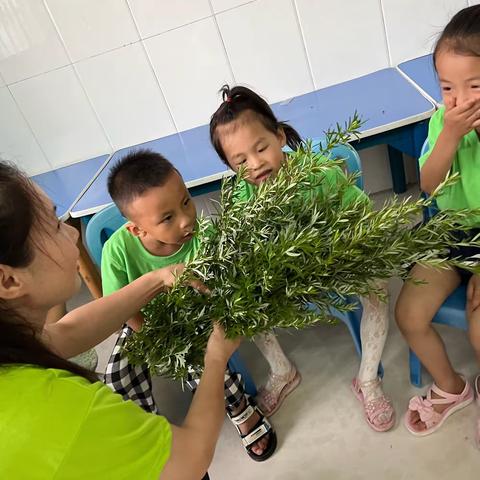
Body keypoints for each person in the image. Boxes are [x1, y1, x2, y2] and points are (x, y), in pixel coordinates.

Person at [0, 161, 242, 479]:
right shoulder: (58, 410)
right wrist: (216, 357)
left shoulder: (13, 350)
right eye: (55, 225)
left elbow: (64, 333)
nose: (73, 233)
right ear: (8, 281)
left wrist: (157, 278)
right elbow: (191, 460)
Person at [209, 84, 395, 432]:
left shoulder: (320, 175)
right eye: (240, 161)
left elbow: (360, 214)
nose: (256, 164)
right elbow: (245, 246)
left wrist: (346, 251)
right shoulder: (240, 198)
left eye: (261, 147)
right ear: (230, 167)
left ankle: (368, 379)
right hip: (284, 276)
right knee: (243, 300)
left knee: (378, 288)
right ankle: (282, 371)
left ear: (279, 136)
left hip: (335, 262)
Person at [102, 150, 277, 461]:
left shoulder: (203, 235)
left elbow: (214, 287)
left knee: (206, 361)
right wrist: (156, 340)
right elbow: (121, 307)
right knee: (117, 378)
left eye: (186, 201)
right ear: (138, 230)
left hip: (194, 316)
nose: (186, 220)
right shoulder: (116, 249)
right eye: (167, 218)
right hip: (143, 322)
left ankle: (242, 410)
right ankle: (148, 430)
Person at [395, 5, 480, 437]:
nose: (460, 100)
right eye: (448, 87)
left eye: (474, 86)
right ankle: (451, 388)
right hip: (450, 234)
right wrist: (448, 136)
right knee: (408, 314)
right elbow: (429, 185)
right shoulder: (441, 123)